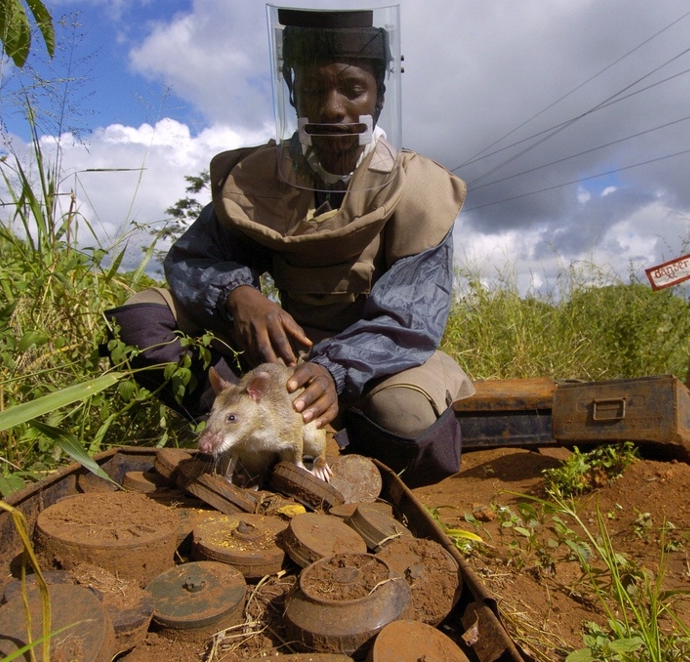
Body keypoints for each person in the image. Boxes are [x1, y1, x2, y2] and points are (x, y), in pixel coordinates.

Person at [105, 6, 474, 487]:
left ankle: (338, 448)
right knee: (137, 323)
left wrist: (334, 372)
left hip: (378, 366)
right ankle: (242, 436)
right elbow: (193, 259)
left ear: (379, 98)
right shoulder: (259, 179)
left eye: (353, 90)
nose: (332, 108)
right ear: (293, 92)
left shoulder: (420, 190)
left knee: (404, 418)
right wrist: (238, 295)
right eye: (314, 89)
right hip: (277, 374)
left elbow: (411, 320)